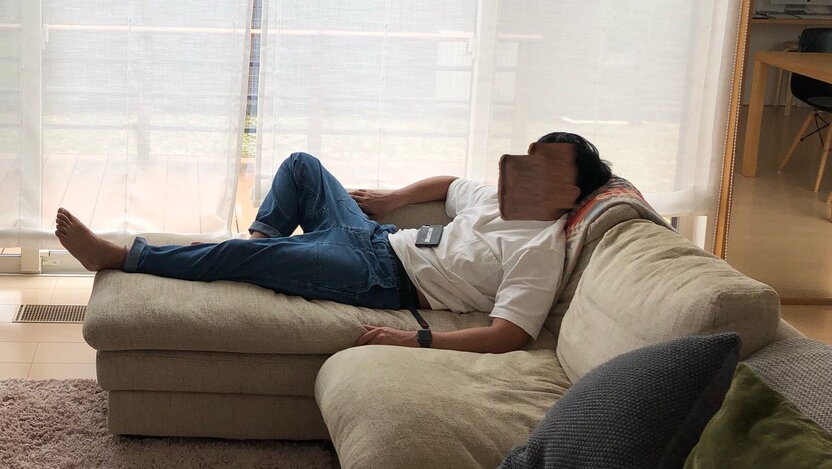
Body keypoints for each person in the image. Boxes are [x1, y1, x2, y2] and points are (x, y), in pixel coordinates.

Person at [54, 132, 613, 354]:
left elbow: (509, 335)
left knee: (241, 256)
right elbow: (449, 186)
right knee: (302, 165)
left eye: (542, 166)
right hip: (377, 236)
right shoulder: (498, 199)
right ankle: (259, 249)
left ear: (568, 192)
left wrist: (415, 339)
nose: (524, 168)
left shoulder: (541, 250)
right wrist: (392, 200)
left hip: (381, 278)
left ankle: (122, 255)